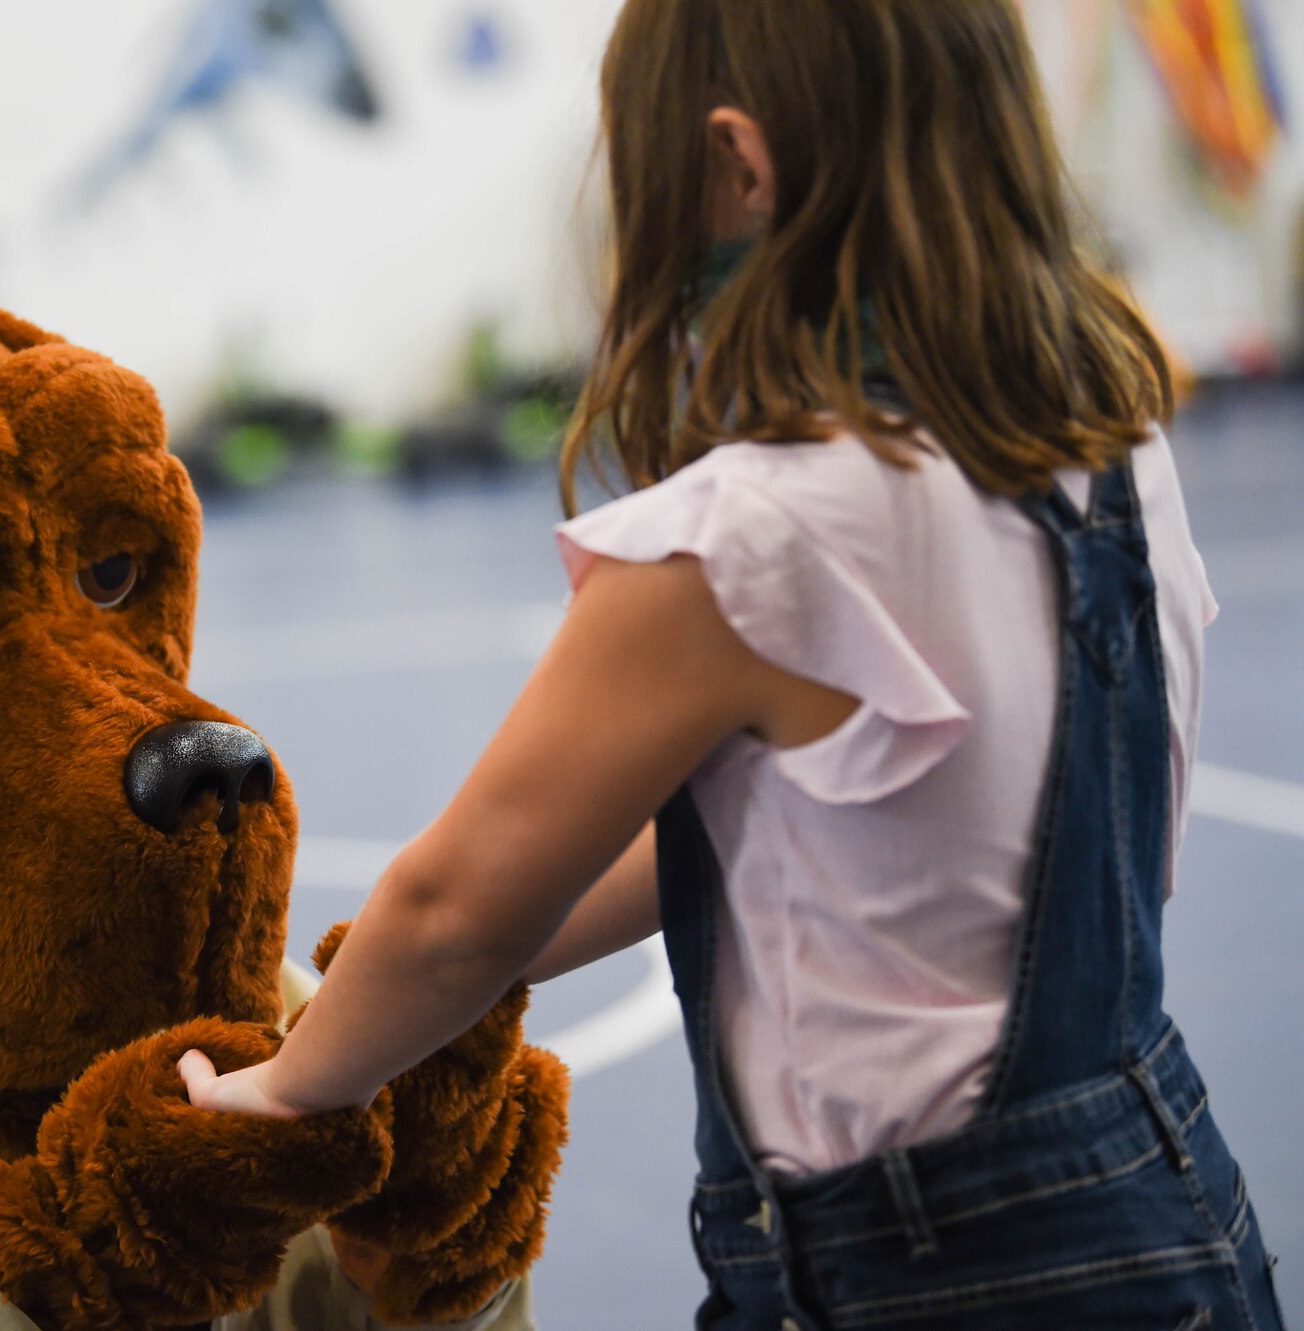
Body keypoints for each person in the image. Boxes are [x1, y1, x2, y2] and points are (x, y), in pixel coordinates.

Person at [180, 1, 1287, 1327]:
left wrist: (289, 1090)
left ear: (740, 167)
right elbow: (795, 838)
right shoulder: (1102, 438)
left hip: (927, 1274)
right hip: (1167, 1204)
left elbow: (453, 908)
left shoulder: (746, 539)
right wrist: (480, 973)